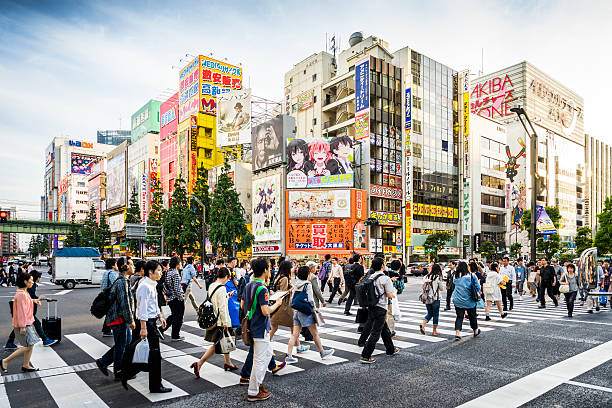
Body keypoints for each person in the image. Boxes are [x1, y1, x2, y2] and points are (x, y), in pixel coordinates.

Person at [122, 260, 171, 393]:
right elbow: (142, 308)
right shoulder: (145, 286)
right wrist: (143, 327)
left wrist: (160, 316)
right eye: (159, 270)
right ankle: (154, 385)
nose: (161, 273)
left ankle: (127, 372)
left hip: (151, 321)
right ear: (151, 271)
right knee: (154, 353)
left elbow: (153, 304)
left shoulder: (152, 284)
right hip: (146, 322)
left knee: (152, 353)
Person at [242, 258, 282, 402]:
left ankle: (258, 384)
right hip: (260, 327)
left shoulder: (249, 285)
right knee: (259, 360)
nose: (270, 270)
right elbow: (266, 311)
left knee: (267, 354)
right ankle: (253, 391)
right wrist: (276, 304)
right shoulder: (262, 288)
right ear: (265, 270)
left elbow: (243, 305)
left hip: (252, 326)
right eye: (269, 268)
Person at [191, 267, 239, 377]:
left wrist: (227, 295)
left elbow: (216, 300)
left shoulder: (212, 285)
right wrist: (226, 322)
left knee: (225, 341)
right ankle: (199, 364)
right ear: (226, 277)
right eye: (228, 279)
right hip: (220, 320)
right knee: (217, 344)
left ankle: (228, 363)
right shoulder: (221, 288)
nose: (228, 281)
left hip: (214, 318)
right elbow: (222, 307)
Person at [285, 266, 335, 364]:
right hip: (305, 312)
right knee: (315, 333)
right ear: (307, 275)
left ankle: (288, 355)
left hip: (296, 311)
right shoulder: (307, 284)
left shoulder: (297, 284)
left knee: (294, 334)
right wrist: (314, 308)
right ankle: (322, 352)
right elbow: (311, 299)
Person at [96, 262, 136, 380]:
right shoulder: (122, 282)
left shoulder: (123, 280)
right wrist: (130, 320)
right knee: (121, 345)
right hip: (119, 318)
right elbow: (125, 303)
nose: (134, 267)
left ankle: (104, 361)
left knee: (125, 342)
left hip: (118, 317)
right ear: (125, 267)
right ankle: (118, 372)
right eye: (132, 265)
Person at [358, 257, 398, 364]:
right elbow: (389, 295)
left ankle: (390, 349)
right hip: (381, 307)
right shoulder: (385, 278)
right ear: (382, 266)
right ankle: (365, 355)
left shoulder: (371, 276)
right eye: (384, 263)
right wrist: (395, 292)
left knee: (384, 329)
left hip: (371, 306)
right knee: (376, 332)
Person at [1, 272, 39, 373]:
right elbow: (21, 311)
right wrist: (22, 326)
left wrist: (34, 301)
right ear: (25, 282)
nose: (32, 282)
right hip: (23, 324)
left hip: (27, 323)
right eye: (30, 280)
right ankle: (5, 361)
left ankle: (26, 365)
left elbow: (26, 302)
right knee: (27, 346)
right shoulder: (22, 294)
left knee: (30, 345)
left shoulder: (23, 292)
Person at [452, 262, 481, 341]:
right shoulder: (472, 276)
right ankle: (475, 331)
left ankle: (457, 333)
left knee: (459, 316)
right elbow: (478, 287)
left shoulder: (456, 276)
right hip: (469, 300)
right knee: (472, 316)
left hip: (458, 300)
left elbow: (454, 285)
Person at [161, 256, 185, 341]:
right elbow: (177, 287)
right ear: (177, 264)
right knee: (178, 317)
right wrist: (181, 297)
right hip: (176, 298)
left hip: (170, 297)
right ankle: (175, 335)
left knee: (174, 315)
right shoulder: (175, 273)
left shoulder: (168, 272)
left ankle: (161, 329)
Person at [420, 263, 443, 336]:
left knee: (430, 313)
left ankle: (423, 325)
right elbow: (441, 288)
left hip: (427, 298)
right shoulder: (437, 277)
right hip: (435, 298)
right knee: (435, 314)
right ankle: (434, 330)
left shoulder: (426, 277)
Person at [101, 258, 119, 337]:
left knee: (109, 312)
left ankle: (106, 329)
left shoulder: (106, 273)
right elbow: (116, 284)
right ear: (113, 265)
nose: (117, 265)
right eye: (116, 263)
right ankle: (107, 330)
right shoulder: (112, 273)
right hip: (111, 296)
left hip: (104, 295)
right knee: (111, 313)